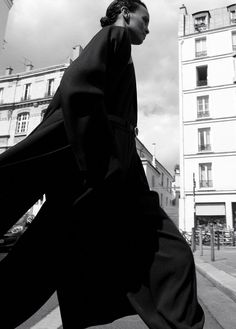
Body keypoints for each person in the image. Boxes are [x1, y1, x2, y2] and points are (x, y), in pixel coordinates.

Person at [0, 0, 205, 328]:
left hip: (113, 171)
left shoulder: (121, 49)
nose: (148, 28)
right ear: (125, 12)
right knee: (42, 261)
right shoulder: (114, 37)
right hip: (96, 170)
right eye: (145, 19)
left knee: (44, 259)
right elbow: (77, 85)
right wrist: (100, 162)